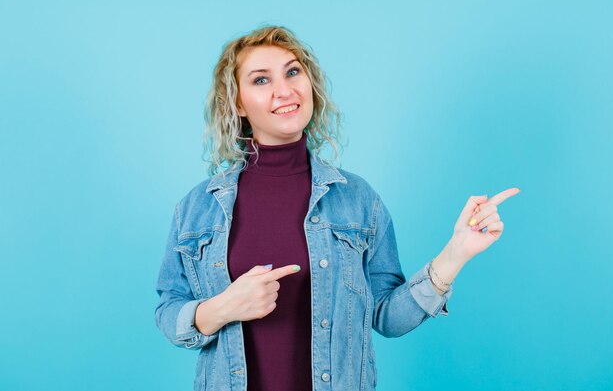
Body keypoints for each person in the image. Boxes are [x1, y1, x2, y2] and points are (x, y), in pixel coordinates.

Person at [154, 25, 520, 391]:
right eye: (261, 80)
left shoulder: (357, 199)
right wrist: (222, 308)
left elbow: (388, 318)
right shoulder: (197, 208)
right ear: (237, 103)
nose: (285, 90)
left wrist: (456, 253)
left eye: (293, 72)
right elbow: (169, 310)